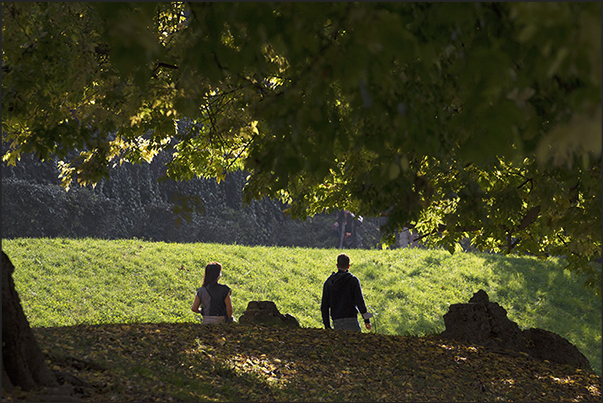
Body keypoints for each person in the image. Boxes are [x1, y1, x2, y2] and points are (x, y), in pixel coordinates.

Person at [321, 253, 372, 331]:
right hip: (351, 319)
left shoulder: (329, 282)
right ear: (348, 266)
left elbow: (324, 306)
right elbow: (360, 302)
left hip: (336, 321)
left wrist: (327, 326)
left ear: (337, 266)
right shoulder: (353, 280)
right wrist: (367, 320)